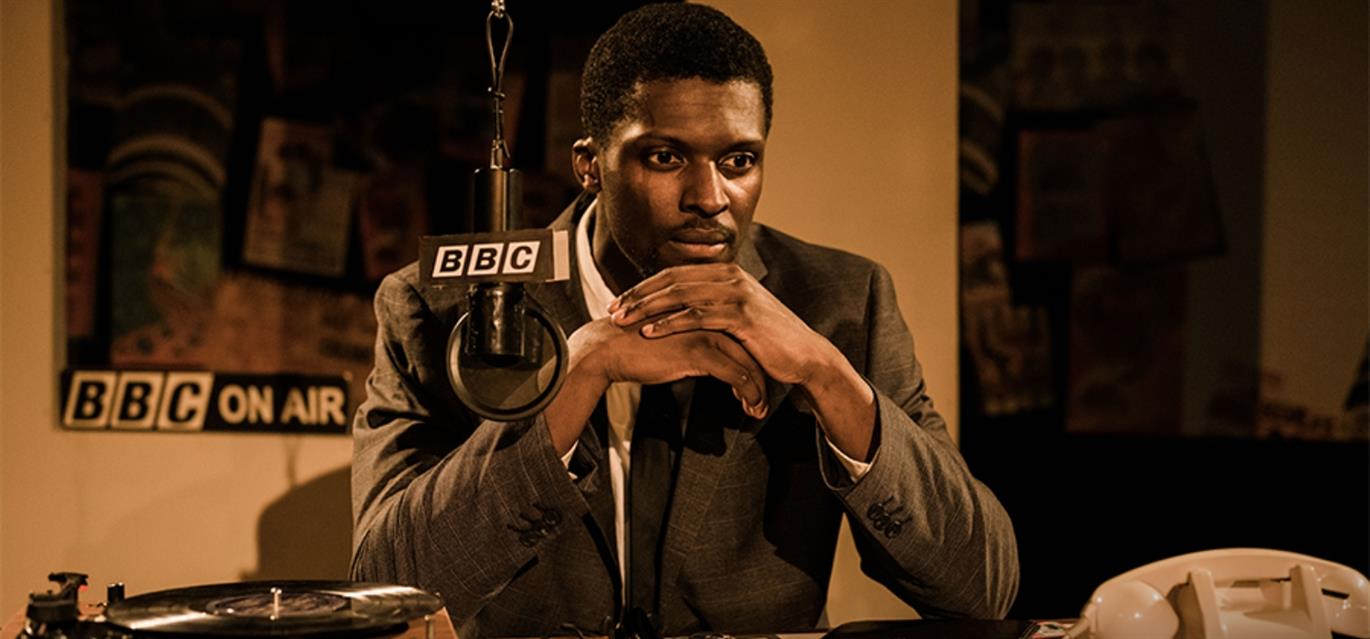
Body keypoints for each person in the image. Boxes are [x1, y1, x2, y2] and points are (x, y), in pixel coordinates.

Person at [350, 4, 1019, 637]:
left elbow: (982, 589)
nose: (709, 197)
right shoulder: (434, 308)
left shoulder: (841, 302)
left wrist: (825, 373)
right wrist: (578, 372)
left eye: (738, 161)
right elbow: (387, 587)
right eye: (665, 157)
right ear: (590, 165)